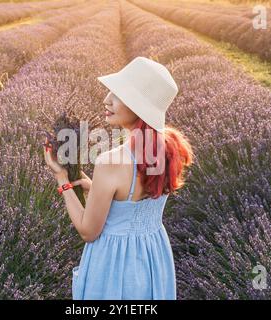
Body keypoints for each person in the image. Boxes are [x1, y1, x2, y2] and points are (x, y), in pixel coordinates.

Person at [43, 56, 194, 299]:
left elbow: (88, 231)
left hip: (116, 264)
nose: (106, 100)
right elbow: (136, 205)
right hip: (153, 257)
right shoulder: (168, 149)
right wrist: (96, 189)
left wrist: (62, 179)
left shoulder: (110, 162)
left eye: (118, 94)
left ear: (139, 106)